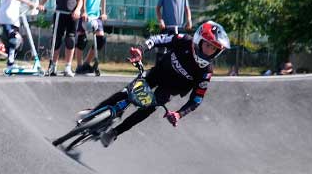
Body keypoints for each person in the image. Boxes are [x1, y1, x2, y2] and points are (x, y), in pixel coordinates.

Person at [95, 21, 230, 147]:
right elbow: (157, 40)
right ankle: (94, 112)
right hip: (157, 74)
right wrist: (140, 50)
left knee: (148, 108)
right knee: (126, 93)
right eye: (208, 45)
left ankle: (115, 132)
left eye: (214, 49)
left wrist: (179, 114)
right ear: (198, 40)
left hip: (169, 90)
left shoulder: (206, 71)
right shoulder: (184, 41)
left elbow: (197, 99)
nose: (209, 51)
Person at [38, 0, 82, 77]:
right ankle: (53, 66)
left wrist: (78, 10)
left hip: (72, 16)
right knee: (56, 41)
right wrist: (41, 4)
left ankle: (68, 67)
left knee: (70, 40)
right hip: (59, 15)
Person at [75, 0, 108, 75]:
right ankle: (79, 66)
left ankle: (86, 63)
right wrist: (83, 11)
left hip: (96, 15)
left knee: (101, 39)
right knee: (81, 40)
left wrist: (103, 12)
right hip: (85, 14)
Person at [155, 0, 192, 64]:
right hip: (166, 29)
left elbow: (187, 9)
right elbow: (158, 8)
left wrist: (189, 20)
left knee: (178, 53)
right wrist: (161, 21)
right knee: (161, 53)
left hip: (179, 29)